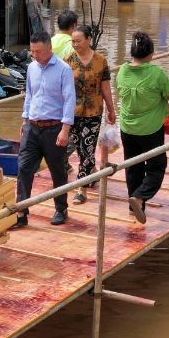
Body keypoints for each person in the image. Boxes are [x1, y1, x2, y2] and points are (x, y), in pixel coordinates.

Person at [115, 32, 169, 224]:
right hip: (150, 130)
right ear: (150, 53)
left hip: (127, 128)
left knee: (132, 166)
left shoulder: (122, 71)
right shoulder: (156, 73)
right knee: (156, 166)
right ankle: (140, 196)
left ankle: (134, 208)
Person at [16, 30, 76, 227]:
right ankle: (21, 211)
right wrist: (24, 121)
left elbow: (69, 100)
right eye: (32, 52)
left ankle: (61, 208)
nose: (35, 56)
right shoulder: (32, 67)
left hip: (54, 127)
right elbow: (30, 95)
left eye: (39, 52)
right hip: (33, 127)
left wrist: (65, 129)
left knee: (57, 170)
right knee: (24, 168)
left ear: (49, 48)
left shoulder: (63, 69)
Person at [65, 26, 116, 204]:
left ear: (88, 39)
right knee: (78, 147)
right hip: (72, 112)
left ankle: (82, 189)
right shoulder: (68, 61)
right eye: (73, 41)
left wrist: (111, 109)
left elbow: (106, 89)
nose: (75, 44)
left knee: (88, 148)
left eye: (78, 40)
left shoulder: (100, 61)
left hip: (94, 112)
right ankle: (92, 173)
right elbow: (62, 88)